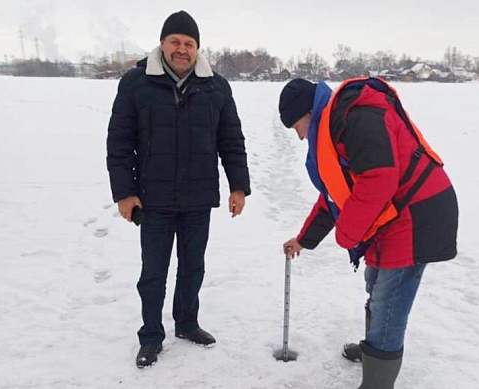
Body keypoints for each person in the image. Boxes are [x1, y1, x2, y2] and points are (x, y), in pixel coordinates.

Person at [279, 77, 458, 389]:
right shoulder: (335, 124)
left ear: (307, 114)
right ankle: (375, 350)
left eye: (297, 128)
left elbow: (378, 180)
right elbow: (335, 194)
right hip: (392, 215)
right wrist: (304, 240)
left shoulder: (356, 116)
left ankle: (377, 380)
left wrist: (347, 234)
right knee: (375, 285)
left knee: (389, 300)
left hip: (417, 215)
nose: (300, 137)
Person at [106, 10, 250, 368]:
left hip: (198, 197)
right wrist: (125, 193)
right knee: (153, 271)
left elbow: (231, 140)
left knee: (193, 266)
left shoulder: (216, 86)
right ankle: (151, 335)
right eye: (175, 42)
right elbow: (120, 143)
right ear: (163, 44)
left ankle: (186, 323)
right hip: (153, 198)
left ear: (197, 48)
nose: (182, 49)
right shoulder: (136, 84)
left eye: (189, 43)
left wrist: (239, 186)